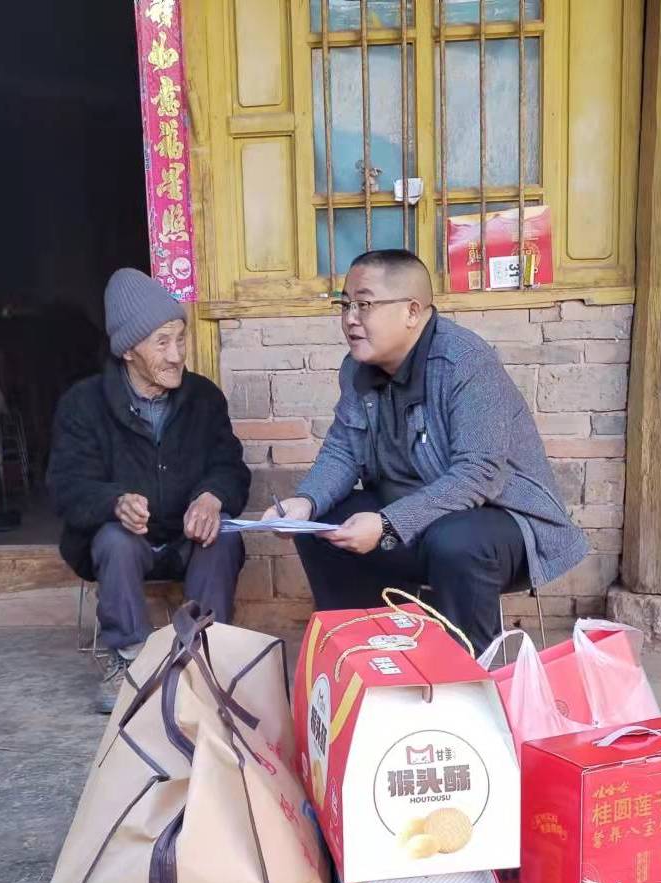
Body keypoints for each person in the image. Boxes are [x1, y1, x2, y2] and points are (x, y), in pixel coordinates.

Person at [259, 249, 588, 652]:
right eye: (345, 305)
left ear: (412, 312)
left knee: (455, 542)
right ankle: (364, 653)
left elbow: (479, 475)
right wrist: (305, 503)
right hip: (408, 518)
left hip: (498, 522)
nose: (350, 319)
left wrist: (387, 524)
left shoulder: (465, 363)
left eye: (364, 305)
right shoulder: (356, 368)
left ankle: (467, 672)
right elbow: (343, 450)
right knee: (322, 526)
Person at [52, 268, 250, 712]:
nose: (176, 354)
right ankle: (128, 659)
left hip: (186, 538)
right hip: (130, 544)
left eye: (180, 339)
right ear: (128, 351)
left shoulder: (203, 398)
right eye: (162, 343)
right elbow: (67, 486)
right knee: (115, 538)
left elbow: (230, 466)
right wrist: (114, 502)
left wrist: (212, 496)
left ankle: (203, 655)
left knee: (223, 534)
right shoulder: (83, 404)